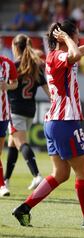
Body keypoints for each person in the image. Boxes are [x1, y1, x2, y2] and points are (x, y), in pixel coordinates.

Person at [12, 20, 84, 230]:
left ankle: (24, 208)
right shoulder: (60, 55)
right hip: (65, 122)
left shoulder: (59, 56)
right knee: (83, 170)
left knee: (60, 173)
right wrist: (67, 39)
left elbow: (78, 52)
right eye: (76, 35)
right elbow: (75, 53)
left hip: (54, 121)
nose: (78, 39)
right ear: (64, 38)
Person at [3, 34, 50, 194]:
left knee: (21, 143)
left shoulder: (14, 65)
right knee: (13, 145)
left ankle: (36, 175)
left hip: (15, 109)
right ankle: (5, 181)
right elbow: (47, 89)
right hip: (30, 110)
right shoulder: (35, 66)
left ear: (16, 47)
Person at [0, 55, 18, 197]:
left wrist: (7, 86)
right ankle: (2, 185)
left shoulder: (7, 63)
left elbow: (15, 83)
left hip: (3, 114)